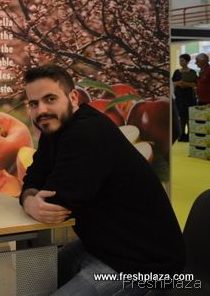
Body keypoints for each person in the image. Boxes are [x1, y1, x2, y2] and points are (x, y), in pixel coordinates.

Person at [20, 64, 185, 295]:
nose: (41, 110)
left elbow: (55, 205)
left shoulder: (86, 132)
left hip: (144, 264)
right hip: (103, 246)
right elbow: (33, 177)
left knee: (35, 280)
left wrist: (31, 199)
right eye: (33, 104)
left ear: (73, 98)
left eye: (50, 99)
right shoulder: (53, 127)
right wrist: (30, 200)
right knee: (31, 281)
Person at [172, 53, 197, 142]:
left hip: (189, 98)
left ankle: (190, 134)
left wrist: (186, 84)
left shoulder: (192, 72)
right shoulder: (176, 72)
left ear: (187, 61)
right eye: (179, 60)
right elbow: (173, 82)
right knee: (181, 117)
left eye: (182, 60)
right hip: (180, 98)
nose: (180, 62)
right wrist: (178, 83)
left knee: (189, 117)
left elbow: (195, 84)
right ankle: (181, 134)